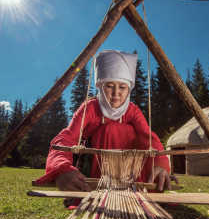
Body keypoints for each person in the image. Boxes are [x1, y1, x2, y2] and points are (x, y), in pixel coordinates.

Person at [36, 50, 178, 195]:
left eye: (122, 87)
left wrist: (160, 165)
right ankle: (102, 190)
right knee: (109, 129)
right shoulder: (89, 108)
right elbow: (67, 137)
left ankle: (137, 188)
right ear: (101, 87)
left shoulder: (132, 111)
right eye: (110, 85)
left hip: (131, 169)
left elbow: (148, 138)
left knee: (127, 132)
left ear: (129, 89)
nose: (116, 92)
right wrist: (62, 168)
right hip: (96, 167)